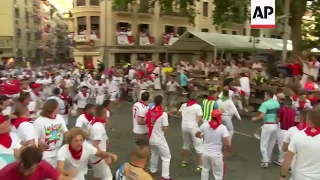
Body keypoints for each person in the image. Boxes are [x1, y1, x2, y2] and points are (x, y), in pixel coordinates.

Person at [280, 108, 320, 180]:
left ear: (309, 120)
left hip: (300, 175)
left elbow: (288, 158)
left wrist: (283, 176)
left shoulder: (298, 135)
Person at [195, 110, 231, 180]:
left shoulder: (205, 125)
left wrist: (202, 136)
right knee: (218, 175)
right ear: (219, 117)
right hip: (216, 155)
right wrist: (227, 151)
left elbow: (196, 134)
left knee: (205, 171)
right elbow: (227, 143)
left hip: (205, 153)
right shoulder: (222, 128)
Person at [33, 99, 69, 168]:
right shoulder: (39, 121)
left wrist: (72, 137)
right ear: (54, 108)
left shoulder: (59, 118)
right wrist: (41, 144)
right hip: (45, 154)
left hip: (58, 151)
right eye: (57, 106)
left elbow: (65, 131)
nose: (59, 108)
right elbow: (34, 138)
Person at [0, 146, 73, 179]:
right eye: (24, 167)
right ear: (20, 161)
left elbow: (59, 178)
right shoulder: (5, 173)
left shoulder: (44, 167)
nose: (26, 173)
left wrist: (70, 177)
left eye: (31, 169)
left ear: (39, 163)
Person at [146, 95, 172, 180]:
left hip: (151, 137)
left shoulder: (149, 112)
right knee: (166, 157)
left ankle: (153, 170)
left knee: (154, 154)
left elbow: (147, 123)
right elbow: (165, 128)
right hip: (159, 138)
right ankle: (165, 176)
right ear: (161, 102)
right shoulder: (163, 114)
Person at [252, 90, 280, 168]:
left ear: (267, 95)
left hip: (267, 125)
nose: (264, 96)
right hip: (275, 125)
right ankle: (267, 158)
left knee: (263, 144)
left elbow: (262, 116)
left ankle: (265, 160)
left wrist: (255, 118)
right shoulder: (276, 103)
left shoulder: (265, 104)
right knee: (271, 143)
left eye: (265, 94)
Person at [178, 92, 203, 172]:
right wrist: (196, 124)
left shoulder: (184, 105)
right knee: (199, 146)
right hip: (193, 127)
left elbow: (179, 113)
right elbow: (199, 118)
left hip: (184, 126)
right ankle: (200, 165)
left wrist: (184, 119)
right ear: (197, 99)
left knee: (186, 144)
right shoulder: (198, 107)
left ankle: (183, 161)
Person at [87, 105, 113, 180]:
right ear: (104, 114)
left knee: (97, 175)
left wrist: (106, 140)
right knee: (108, 177)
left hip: (93, 155)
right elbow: (96, 145)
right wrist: (105, 157)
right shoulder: (98, 126)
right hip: (99, 156)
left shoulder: (92, 122)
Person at [274, 97, 296, 166]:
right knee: (289, 146)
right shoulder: (293, 110)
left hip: (283, 130)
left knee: (281, 146)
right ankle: (288, 160)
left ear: (284, 103)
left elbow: (277, 119)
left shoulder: (282, 109)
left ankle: (281, 160)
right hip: (291, 130)